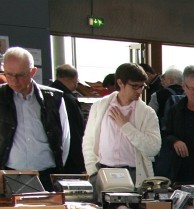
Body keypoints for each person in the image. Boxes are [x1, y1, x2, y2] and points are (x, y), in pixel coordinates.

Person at [0, 47, 70, 191]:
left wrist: (58, 170)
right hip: (9, 173)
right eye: (9, 74)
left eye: (20, 75)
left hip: (46, 175)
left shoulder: (53, 98)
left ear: (33, 72)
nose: (14, 80)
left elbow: (64, 139)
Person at [82, 62, 161, 187]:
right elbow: (89, 141)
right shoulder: (99, 106)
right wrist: (92, 172)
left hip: (134, 174)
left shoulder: (147, 113)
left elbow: (153, 148)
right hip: (103, 171)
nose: (139, 91)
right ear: (120, 83)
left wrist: (126, 126)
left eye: (142, 86)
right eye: (135, 86)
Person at [49, 63, 86, 174]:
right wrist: (80, 162)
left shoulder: (46, 94)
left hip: (50, 154)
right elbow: (74, 132)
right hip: (69, 157)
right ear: (74, 79)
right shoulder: (68, 99)